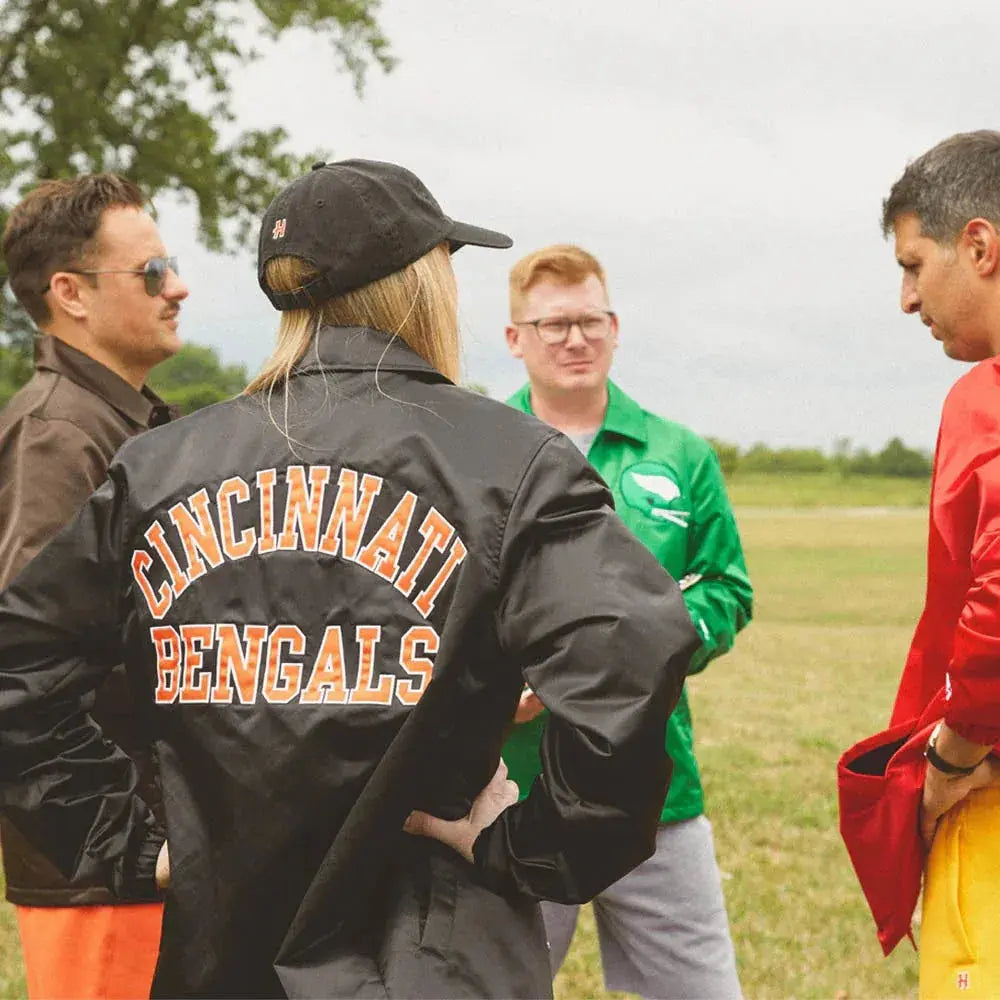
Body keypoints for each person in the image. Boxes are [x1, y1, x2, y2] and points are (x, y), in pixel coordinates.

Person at [0, 159, 700, 998]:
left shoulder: (162, 467)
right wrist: (537, 844)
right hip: (437, 953)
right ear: (418, 284)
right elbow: (632, 643)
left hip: (222, 955)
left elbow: (18, 666)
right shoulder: (509, 461)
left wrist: (126, 842)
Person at [501, 244, 753, 999]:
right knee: (491, 987)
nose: (574, 339)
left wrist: (642, 654)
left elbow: (727, 590)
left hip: (652, 786)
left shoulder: (680, 455)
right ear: (516, 337)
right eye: (553, 325)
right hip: (510, 788)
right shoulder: (478, 449)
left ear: (615, 327)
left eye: (590, 321)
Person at [0, 173, 187, 999]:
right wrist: (127, 841)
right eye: (150, 272)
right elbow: (24, 669)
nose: (176, 286)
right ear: (70, 294)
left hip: (151, 850)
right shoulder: (57, 438)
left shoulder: (128, 426)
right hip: (102, 867)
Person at [841, 131, 1000, 999]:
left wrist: (952, 756)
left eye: (915, 263)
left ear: (978, 246)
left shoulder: (988, 396)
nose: (907, 298)